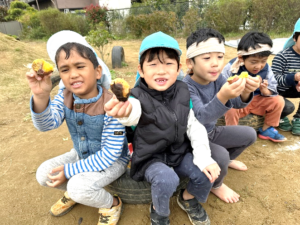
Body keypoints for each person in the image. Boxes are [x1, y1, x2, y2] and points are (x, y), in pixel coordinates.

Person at [105, 31, 220, 225]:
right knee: (167, 180)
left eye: (168, 63)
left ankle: (188, 198)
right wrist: (124, 112)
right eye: (153, 65)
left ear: (179, 68)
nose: (161, 71)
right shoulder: (136, 96)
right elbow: (133, 112)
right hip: (150, 157)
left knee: (204, 173)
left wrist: (204, 158)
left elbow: (194, 126)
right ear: (141, 70)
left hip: (179, 152)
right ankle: (159, 212)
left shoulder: (183, 91)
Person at [26, 30, 130, 225]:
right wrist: (41, 96)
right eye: (64, 69)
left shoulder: (112, 104)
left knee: (76, 186)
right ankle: (79, 192)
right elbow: (47, 124)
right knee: (43, 174)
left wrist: (70, 170)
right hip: (81, 155)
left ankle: (112, 203)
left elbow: (111, 153)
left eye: (80, 66)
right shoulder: (65, 96)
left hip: (114, 161)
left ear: (98, 71)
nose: (73, 74)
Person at [183, 28, 259, 204]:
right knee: (221, 155)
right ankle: (217, 184)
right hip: (192, 140)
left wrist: (246, 92)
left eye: (219, 57)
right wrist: (222, 96)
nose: (215, 63)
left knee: (249, 135)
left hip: (211, 133)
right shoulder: (186, 87)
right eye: (207, 58)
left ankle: (226, 161)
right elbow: (200, 118)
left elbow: (236, 103)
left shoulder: (218, 79)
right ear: (190, 63)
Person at [222, 31, 287, 142]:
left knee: (279, 101)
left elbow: (273, 88)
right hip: (237, 103)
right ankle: (232, 132)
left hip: (257, 100)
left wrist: (266, 91)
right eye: (253, 62)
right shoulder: (231, 67)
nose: (259, 66)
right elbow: (220, 87)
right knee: (230, 109)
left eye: (263, 61)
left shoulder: (266, 69)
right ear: (242, 58)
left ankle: (267, 129)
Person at [272, 18, 300, 135]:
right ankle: (280, 116)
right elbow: (273, 80)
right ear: (295, 38)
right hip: (278, 91)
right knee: (288, 107)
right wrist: (294, 77)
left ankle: (298, 118)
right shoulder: (282, 57)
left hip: (295, 88)